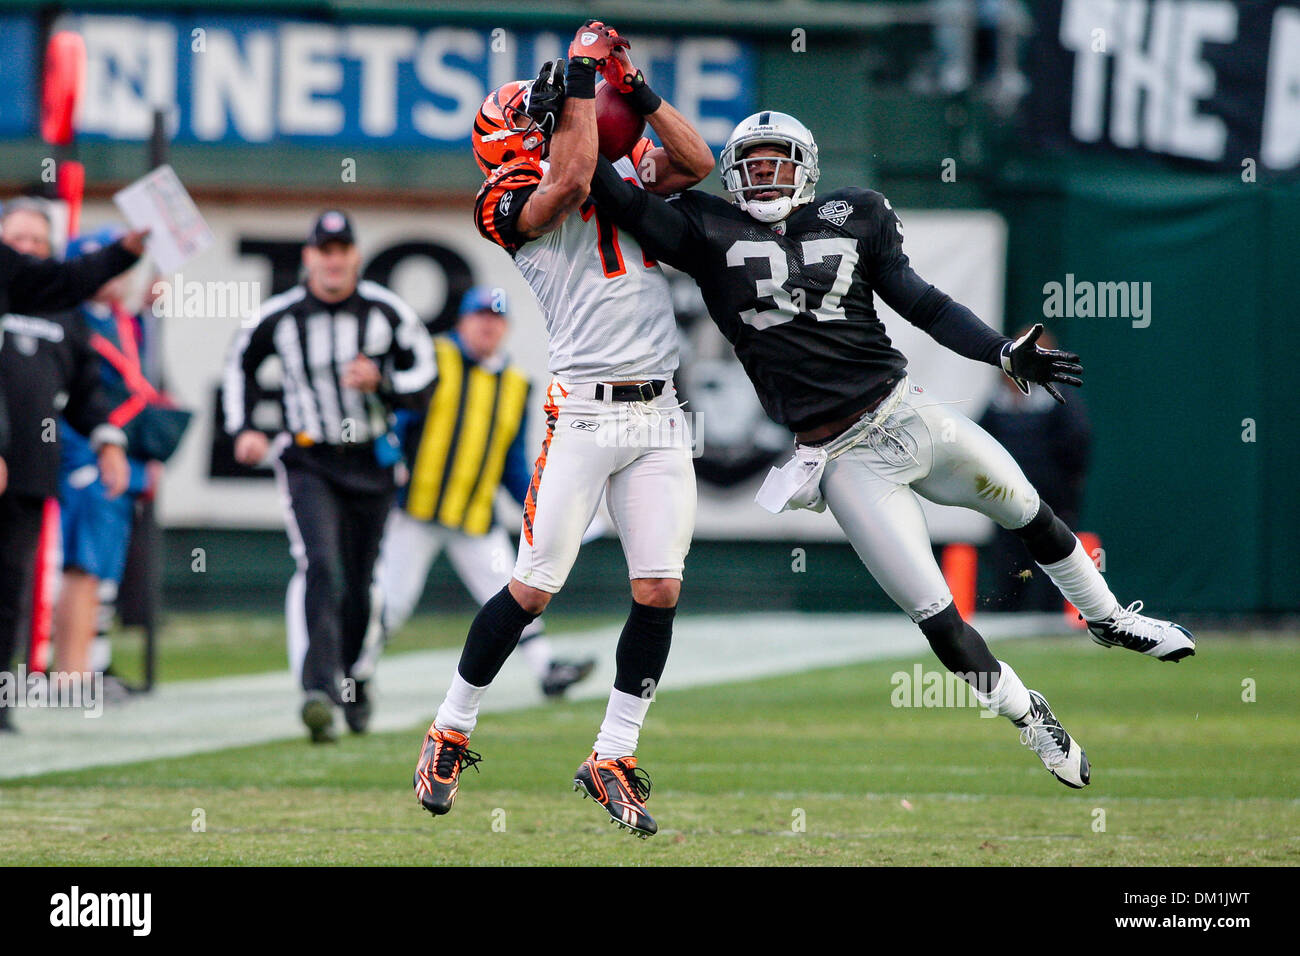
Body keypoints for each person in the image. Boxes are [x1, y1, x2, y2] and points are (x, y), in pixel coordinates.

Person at [586, 110, 1196, 791]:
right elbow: (617, 196)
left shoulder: (857, 214)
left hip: (908, 413)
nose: (764, 176)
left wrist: (1000, 350)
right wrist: (595, 107)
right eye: (751, 166)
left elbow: (924, 304)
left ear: (806, 168)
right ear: (730, 175)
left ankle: (1109, 619)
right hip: (842, 458)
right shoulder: (704, 229)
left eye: (775, 163)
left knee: (1031, 510)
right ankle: (1030, 716)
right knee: (937, 616)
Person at [412, 22, 714, 838]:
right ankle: (450, 728)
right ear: (507, 140)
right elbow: (571, 177)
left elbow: (696, 164)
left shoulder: (604, 159)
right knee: (534, 584)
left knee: (659, 588)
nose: (551, 117)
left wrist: (637, 87)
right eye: (535, 114)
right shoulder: (502, 203)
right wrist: (581, 81)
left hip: (659, 412)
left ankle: (611, 754)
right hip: (582, 408)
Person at [224, 210, 436, 743]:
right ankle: (318, 689)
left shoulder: (387, 312)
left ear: (356, 256)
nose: (333, 259)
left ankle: (354, 678)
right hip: (308, 458)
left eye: (342, 249)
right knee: (320, 564)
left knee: (360, 583)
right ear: (309, 257)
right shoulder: (281, 316)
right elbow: (240, 366)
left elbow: (427, 378)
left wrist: (382, 380)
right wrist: (244, 427)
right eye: (325, 249)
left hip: (370, 460)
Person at [376, 286, 596, 701]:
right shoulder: (433, 359)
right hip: (415, 510)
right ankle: (356, 670)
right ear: (462, 320)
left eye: (496, 319)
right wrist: (389, 463)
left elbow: (513, 464)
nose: (487, 326)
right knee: (393, 600)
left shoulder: (514, 383)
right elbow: (396, 419)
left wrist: (549, 509)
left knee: (515, 588)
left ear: (506, 327)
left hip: (475, 517)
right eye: (480, 316)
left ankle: (547, 669)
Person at [0, 201, 131, 731]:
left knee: (10, 591)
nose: (27, 250)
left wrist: (108, 442)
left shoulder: (65, 313)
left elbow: (85, 391)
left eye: (38, 241)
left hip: (29, 472)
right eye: (17, 239)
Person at [50, 228, 157, 686]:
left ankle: (94, 662)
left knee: (103, 570)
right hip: (80, 457)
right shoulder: (69, 320)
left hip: (117, 456)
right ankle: (69, 672)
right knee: (80, 565)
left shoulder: (119, 321)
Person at [978, 326, 1092, 612]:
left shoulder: (1061, 402)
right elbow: (979, 444)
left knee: (1052, 559)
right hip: (1005, 500)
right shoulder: (996, 404)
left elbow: (1076, 445)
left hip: (1051, 500)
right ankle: (1007, 615)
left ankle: (1048, 618)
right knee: (1009, 561)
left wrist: (1062, 486)